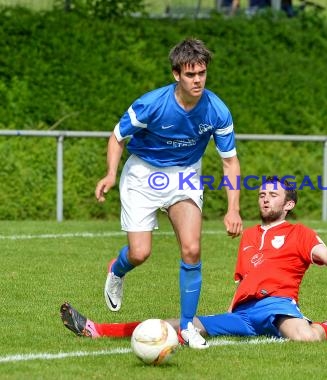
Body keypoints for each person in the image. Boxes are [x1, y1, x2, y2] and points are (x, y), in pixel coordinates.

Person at [63, 176, 327, 343]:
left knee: (304, 338)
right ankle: (97, 329)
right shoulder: (250, 235)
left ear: (288, 204)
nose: (265, 198)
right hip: (242, 313)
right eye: (262, 194)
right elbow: (242, 281)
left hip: (277, 307)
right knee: (181, 328)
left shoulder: (300, 232)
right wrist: (228, 313)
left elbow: (326, 253)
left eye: (273, 194)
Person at [94, 38, 243, 349]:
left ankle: (188, 327)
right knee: (140, 253)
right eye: (190, 74)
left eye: (202, 73)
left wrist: (233, 208)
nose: (198, 79)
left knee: (191, 249)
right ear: (177, 74)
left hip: (185, 175)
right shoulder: (152, 104)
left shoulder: (217, 110)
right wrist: (110, 173)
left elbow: (230, 162)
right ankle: (116, 269)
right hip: (143, 173)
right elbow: (117, 137)